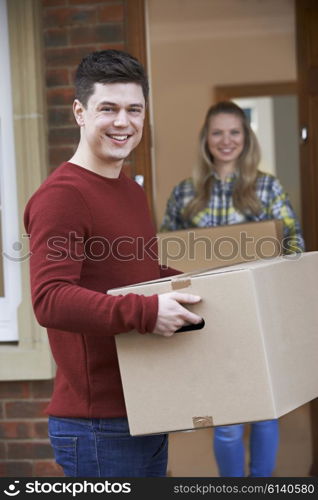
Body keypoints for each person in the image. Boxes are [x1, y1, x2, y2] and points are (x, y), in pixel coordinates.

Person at [24, 49, 203, 478]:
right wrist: (146, 312)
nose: (123, 122)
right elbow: (49, 300)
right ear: (80, 113)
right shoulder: (63, 196)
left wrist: (209, 285)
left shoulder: (129, 191)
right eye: (109, 108)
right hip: (97, 427)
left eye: (134, 110)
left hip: (145, 406)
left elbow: (139, 274)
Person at [160, 100, 304, 477]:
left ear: (246, 138)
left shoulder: (267, 188)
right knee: (225, 424)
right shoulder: (184, 194)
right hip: (211, 317)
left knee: (264, 414)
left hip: (260, 315)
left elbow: (294, 246)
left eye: (234, 132)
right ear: (205, 139)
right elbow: (165, 255)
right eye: (217, 133)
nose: (226, 141)